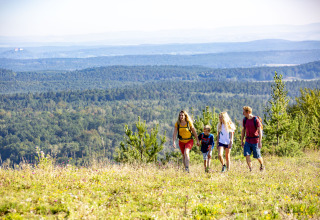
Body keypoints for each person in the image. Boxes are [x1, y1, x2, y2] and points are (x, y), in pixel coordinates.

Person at [241, 106, 264, 171]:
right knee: (247, 154)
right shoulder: (244, 120)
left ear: (248, 112)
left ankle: (262, 165)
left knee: (257, 156)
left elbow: (260, 131)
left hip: (255, 141)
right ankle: (250, 169)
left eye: (244, 112)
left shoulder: (256, 119)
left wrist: (260, 142)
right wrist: (242, 140)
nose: (243, 113)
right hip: (248, 140)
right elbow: (243, 130)